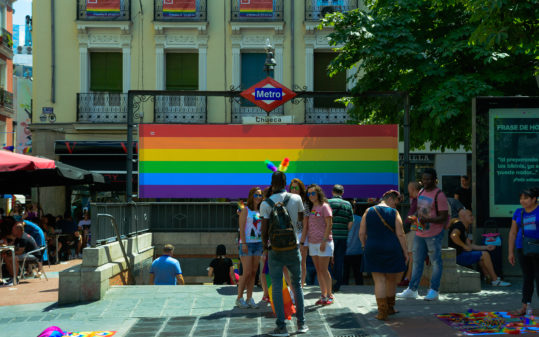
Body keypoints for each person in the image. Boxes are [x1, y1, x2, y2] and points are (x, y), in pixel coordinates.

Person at [261, 171, 307, 336]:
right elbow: (300, 222)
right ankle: (301, 324)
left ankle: (281, 326)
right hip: (293, 247)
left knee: (277, 287)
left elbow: (264, 230)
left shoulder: (266, 203)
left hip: (275, 250)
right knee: (297, 287)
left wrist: (265, 248)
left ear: (272, 184)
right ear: (286, 182)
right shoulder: (297, 199)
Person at [398, 168, 448, 301]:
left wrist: (429, 220)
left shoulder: (439, 195)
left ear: (434, 179)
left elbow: (443, 217)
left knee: (436, 262)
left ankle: (434, 290)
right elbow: (420, 211)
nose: (425, 181)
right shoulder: (421, 192)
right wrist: (413, 216)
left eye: (428, 179)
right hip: (420, 232)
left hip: (434, 233)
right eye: (423, 179)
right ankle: (412, 289)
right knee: (417, 261)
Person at [360, 190, 407, 320]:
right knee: (391, 279)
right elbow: (401, 234)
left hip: (373, 248)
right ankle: (391, 308)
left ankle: (382, 312)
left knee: (379, 280)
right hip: (392, 249)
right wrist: (405, 251)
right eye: (396, 203)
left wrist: (365, 246)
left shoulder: (368, 211)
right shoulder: (394, 213)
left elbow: (361, 233)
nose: (396, 206)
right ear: (390, 199)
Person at [449, 209, 510, 286]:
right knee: (485, 255)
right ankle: (495, 280)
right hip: (456, 257)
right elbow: (453, 236)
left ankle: (488, 278)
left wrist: (486, 247)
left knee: (481, 257)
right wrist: (464, 246)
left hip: (460, 255)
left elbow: (470, 246)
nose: (472, 217)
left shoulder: (465, 228)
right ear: (463, 217)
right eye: (470, 215)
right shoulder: (459, 225)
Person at [508, 187, 539, 316]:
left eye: (526, 198)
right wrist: (510, 252)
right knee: (527, 278)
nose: (522, 201)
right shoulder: (518, 212)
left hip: (537, 248)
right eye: (521, 198)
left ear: (534, 199)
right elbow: (513, 232)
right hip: (522, 248)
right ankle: (525, 306)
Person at [302, 184, 334, 306]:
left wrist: (324, 241)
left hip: (324, 242)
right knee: (319, 270)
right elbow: (306, 226)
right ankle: (323, 294)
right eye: (309, 194)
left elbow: (329, 224)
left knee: (324, 269)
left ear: (318, 193)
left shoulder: (324, 206)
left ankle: (330, 295)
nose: (310, 196)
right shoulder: (309, 207)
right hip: (312, 242)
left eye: (313, 193)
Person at [236, 186, 264, 309]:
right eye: (256, 195)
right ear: (251, 196)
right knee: (246, 272)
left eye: (260, 195)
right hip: (247, 244)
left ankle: (249, 298)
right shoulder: (245, 210)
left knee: (253, 273)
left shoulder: (262, 210)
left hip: (258, 243)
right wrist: (243, 244)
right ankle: (239, 297)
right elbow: (242, 228)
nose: (258, 197)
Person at [327, 184, 353, 292]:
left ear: (332, 192)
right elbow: (350, 222)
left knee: (326, 260)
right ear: (342, 193)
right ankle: (337, 285)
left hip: (329, 237)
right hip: (342, 237)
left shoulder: (327, 203)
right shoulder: (348, 204)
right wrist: (345, 232)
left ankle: (329, 280)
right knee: (339, 260)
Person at [399, 181, 420, 287]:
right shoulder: (416, 199)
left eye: (409, 189)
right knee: (409, 253)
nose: (408, 191)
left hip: (414, 228)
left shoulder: (419, 199)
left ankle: (408, 277)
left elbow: (419, 215)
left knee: (411, 254)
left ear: (412, 189)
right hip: (412, 228)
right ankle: (406, 277)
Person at [289, 178, 308, 287]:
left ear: (301, 189)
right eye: (292, 187)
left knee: (301, 261)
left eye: (296, 187)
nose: (294, 189)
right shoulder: (287, 201)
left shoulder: (305, 203)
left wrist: (302, 241)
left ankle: (301, 284)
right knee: (290, 262)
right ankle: (292, 284)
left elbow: (306, 224)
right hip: (290, 234)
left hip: (301, 233)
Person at [344, 201, 364, 285]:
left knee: (344, 275)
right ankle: (360, 289)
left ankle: (343, 291)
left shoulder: (342, 219)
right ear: (354, 209)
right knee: (358, 275)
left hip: (345, 251)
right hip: (358, 251)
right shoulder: (361, 219)